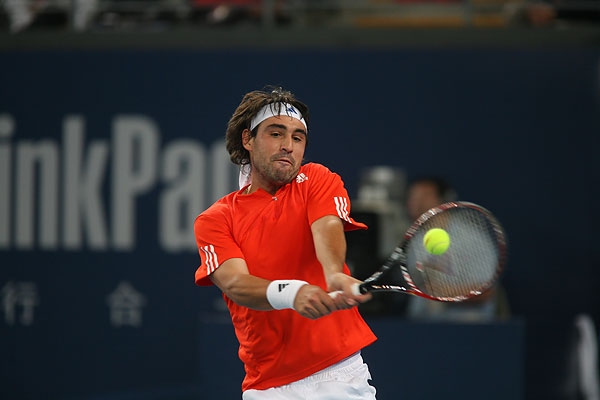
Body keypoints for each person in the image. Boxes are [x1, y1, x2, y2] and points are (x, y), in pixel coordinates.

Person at [193, 86, 377, 399]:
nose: (288, 146)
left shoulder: (317, 178)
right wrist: (292, 293)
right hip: (269, 388)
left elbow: (327, 226)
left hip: (340, 375)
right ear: (248, 139)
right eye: (276, 134)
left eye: (297, 137)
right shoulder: (216, 219)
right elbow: (236, 284)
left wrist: (334, 273)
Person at [404, 176, 510, 322]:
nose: (416, 203)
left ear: (443, 199)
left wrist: (444, 295)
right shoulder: (414, 241)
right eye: (412, 197)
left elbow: (486, 292)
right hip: (422, 327)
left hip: (468, 328)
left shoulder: (472, 238)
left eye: (424, 196)